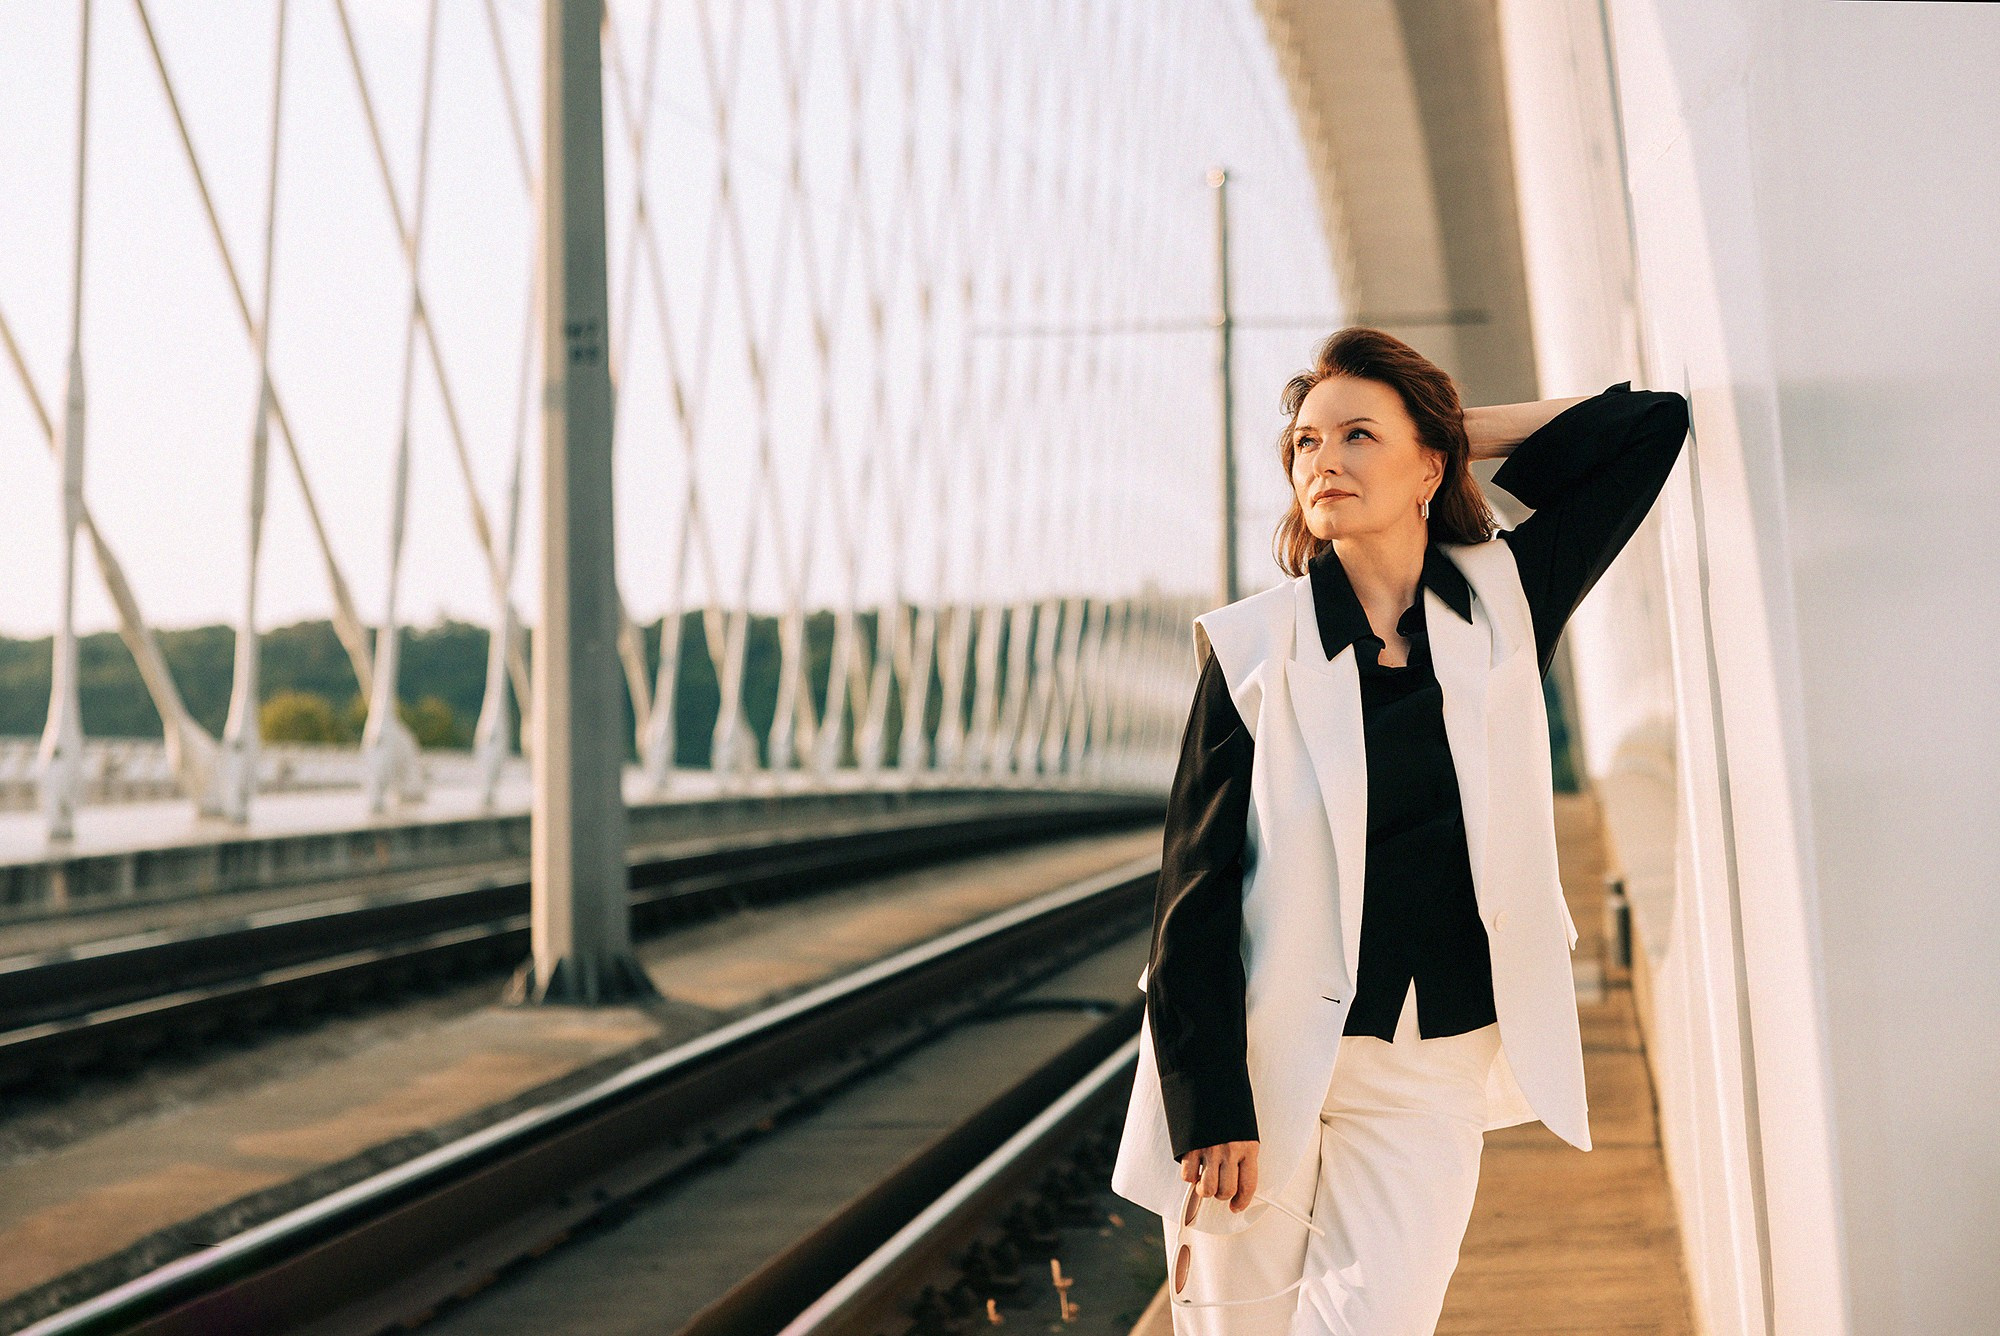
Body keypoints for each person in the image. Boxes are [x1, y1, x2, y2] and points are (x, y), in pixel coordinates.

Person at [1122, 326, 1690, 1334]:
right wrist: (1209, 1106)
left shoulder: (1505, 603)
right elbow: (1191, 898)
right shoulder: (1252, 649)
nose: (1322, 460)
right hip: (1259, 1062)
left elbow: (1649, 427)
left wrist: (1450, 427)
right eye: (1303, 442)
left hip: (1428, 1059)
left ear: (1431, 464)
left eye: (1354, 437)